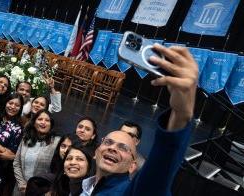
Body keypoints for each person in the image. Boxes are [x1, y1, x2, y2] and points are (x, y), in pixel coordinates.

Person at [80, 44, 198, 195]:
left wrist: (181, 115)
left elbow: (155, 179)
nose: (112, 148)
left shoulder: (129, 191)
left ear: (132, 166)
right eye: (108, 142)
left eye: (123, 148)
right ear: (96, 152)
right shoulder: (81, 186)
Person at [13, 110, 61, 196]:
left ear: (51, 124)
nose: (43, 122)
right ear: (34, 122)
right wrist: (22, 184)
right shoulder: (26, 139)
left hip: (42, 191)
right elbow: (16, 163)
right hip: (21, 189)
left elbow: (58, 171)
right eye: (40, 119)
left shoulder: (57, 142)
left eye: (47, 120)